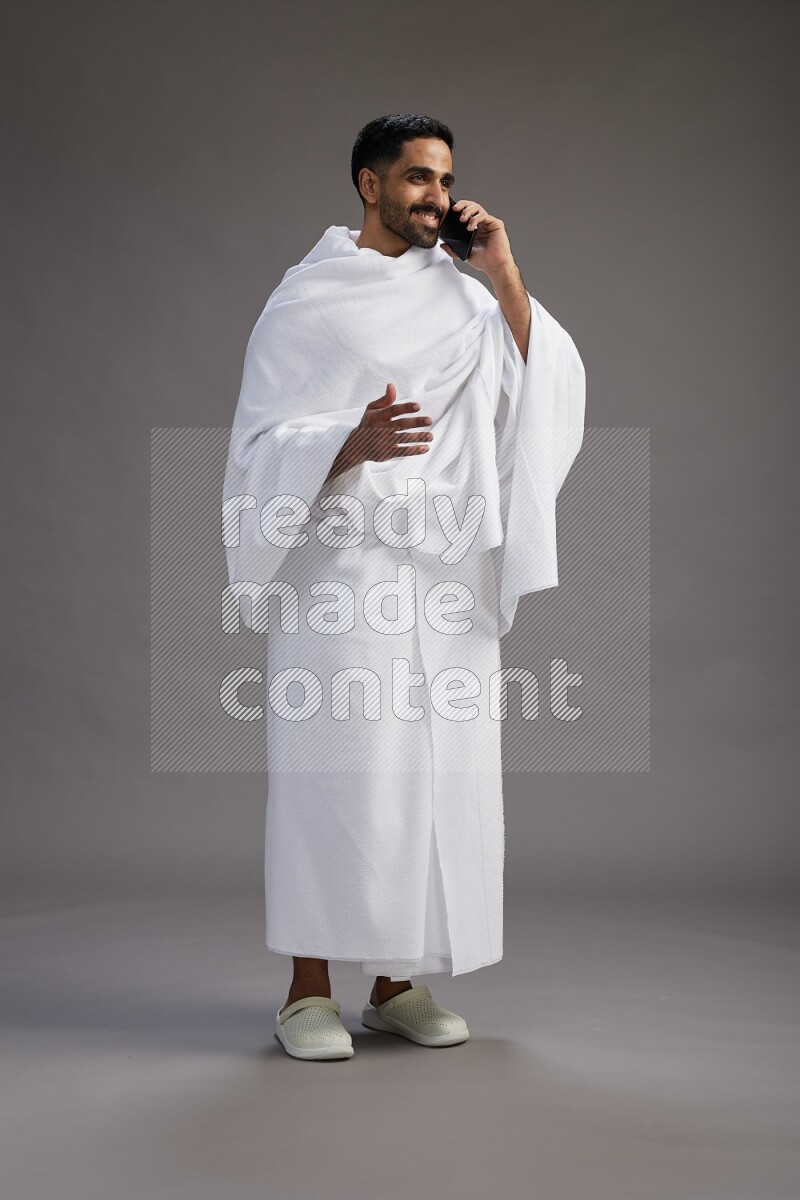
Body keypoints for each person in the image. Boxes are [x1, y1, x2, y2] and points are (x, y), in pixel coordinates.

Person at [222, 114, 585, 1060]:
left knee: (431, 780)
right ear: (366, 184)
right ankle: (307, 991)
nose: (436, 194)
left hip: (446, 576)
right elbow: (258, 453)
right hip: (342, 577)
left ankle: (393, 981)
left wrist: (502, 272)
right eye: (417, 177)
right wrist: (351, 443)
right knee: (337, 776)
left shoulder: (465, 299)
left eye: (446, 177)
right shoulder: (306, 303)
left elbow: (540, 391)